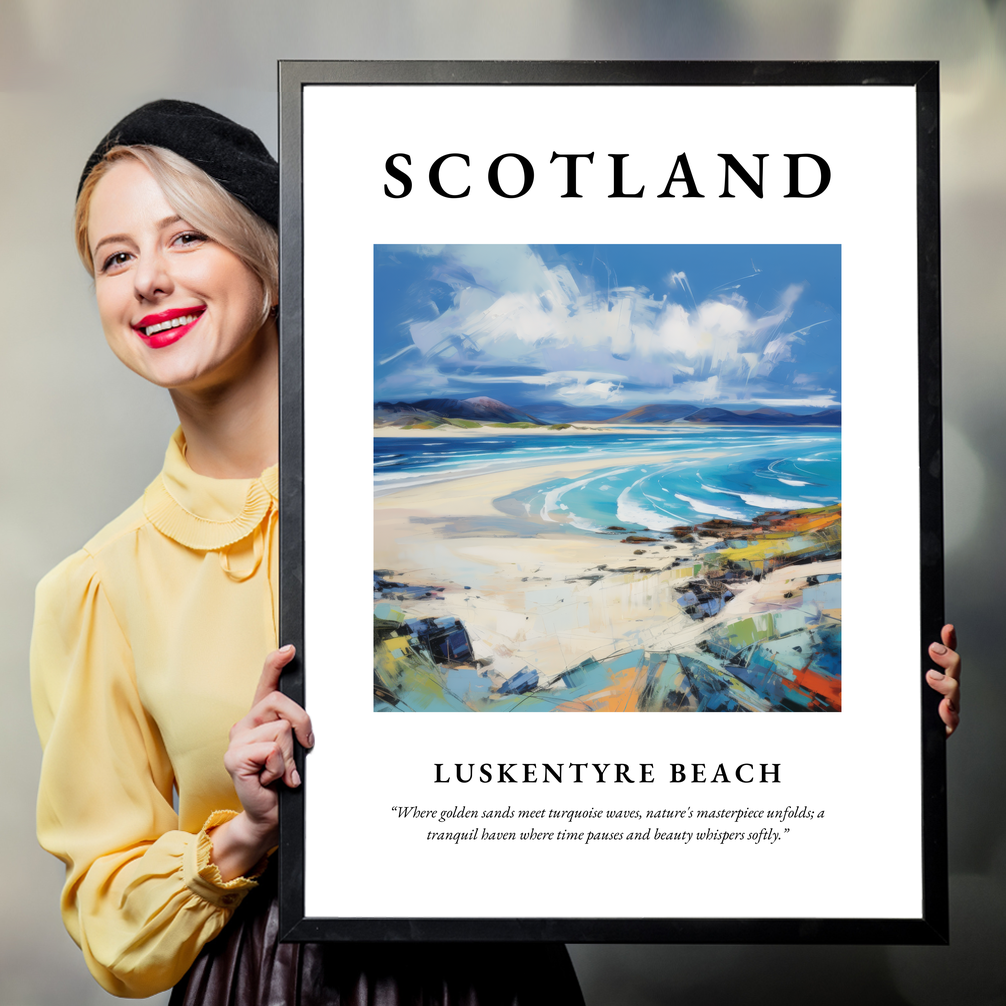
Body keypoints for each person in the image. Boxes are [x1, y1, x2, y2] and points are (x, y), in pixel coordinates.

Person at [30, 100, 586, 1004]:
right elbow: (110, 923)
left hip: (492, 972)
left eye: (185, 239)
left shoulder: (440, 499)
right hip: (263, 982)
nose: (148, 281)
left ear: (273, 263)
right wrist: (245, 832)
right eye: (116, 257)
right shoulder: (97, 587)